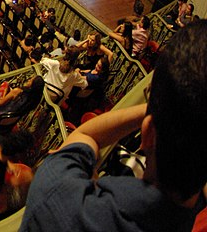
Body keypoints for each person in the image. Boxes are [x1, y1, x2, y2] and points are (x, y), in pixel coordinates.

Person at [21, 21, 207, 231]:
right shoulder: (192, 217)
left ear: (147, 133)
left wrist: (156, 110)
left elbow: (86, 135)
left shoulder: (60, 192)